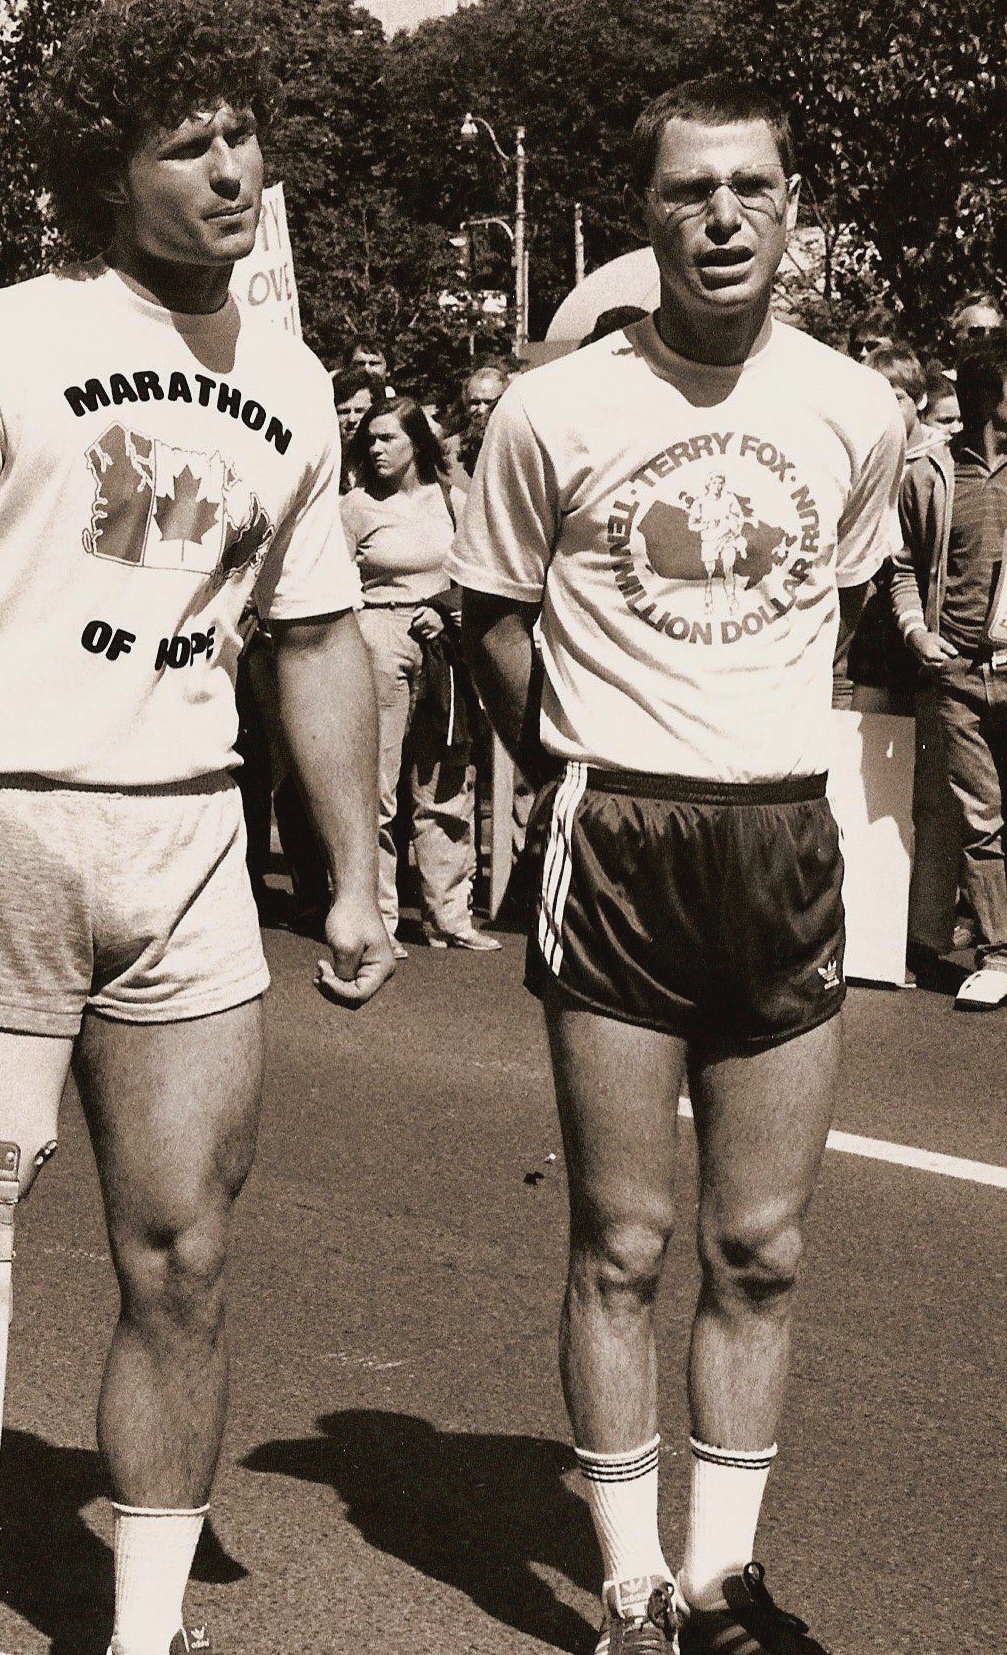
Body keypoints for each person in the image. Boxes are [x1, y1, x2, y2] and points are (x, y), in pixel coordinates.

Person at [0, 5, 394, 1650]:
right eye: (185, 145)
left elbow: (311, 636)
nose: (231, 171)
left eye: (241, 137)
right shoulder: (1, 337)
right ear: (109, 173)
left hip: (188, 846)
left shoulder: (289, 380)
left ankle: (140, 1627)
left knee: (183, 1253)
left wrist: (356, 874)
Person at [458, 77, 903, 1655]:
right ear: (644, 215)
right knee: (624, 1235)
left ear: (792, 209)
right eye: (688, 191)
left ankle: (725, 1573)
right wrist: (577, 759)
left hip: (781, 835)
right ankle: (631, 1576)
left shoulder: (860, 407)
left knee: (760, 1245)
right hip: (620, 832)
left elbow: (833, 606)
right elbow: (491, 613)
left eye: (751, 188)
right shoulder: (555, 409)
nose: (721, 215)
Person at [345, 397, 498, 951]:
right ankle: (380, 922)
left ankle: (449, 916)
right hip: (376, 639)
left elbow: (484, 569)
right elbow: (334, 586)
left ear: (416, 444)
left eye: (388, 438)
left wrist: (445, 603)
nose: (375, 448)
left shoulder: (454, 500)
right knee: (378, 788)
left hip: (443, 647)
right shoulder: (354, 507)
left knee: (446, 783)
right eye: (369, 438)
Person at [889, 350, 1007, 1009]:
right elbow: (901, 565)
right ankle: (995, 954)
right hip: (956, 675)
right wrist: (915, 632)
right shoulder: (929, 472)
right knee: (979, 820)